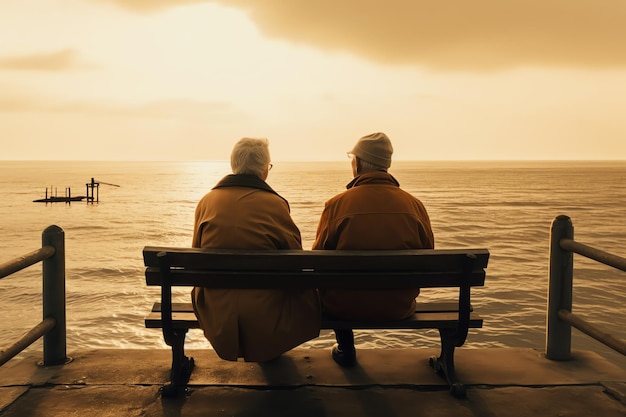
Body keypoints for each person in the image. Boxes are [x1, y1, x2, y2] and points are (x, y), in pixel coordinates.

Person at [191, 137, 321, 362]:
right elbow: (295, 258)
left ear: (234, 165)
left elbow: (196, 253)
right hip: (265, 314)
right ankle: (267, 348)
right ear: (264, 171)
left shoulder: (206, 201)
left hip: (217, 313)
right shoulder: (275, 204)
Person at [312, 132, 434, 367]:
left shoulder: (336, 205)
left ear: (357, 163)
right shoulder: (415, 206)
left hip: (343, 307)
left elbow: (318, 260)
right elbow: (427, 255)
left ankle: (346, 347)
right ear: (386, 165)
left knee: (336, 286)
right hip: (398, 306)